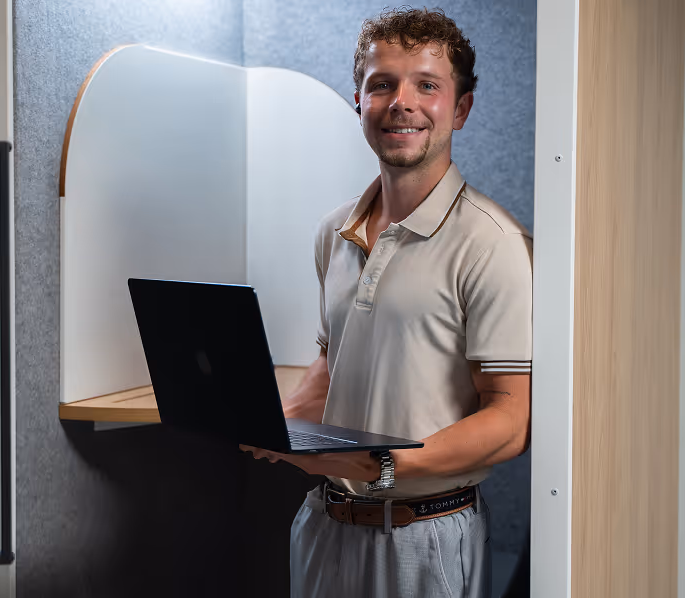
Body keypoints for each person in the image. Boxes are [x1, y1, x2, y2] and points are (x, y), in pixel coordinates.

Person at [241, 7, 533, 598]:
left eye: (427, 85)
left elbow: (509, 421)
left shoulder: (495, 244)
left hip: (424, 534)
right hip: (325, 524)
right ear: (359, 100)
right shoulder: (334, 232)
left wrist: (383, 466)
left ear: (461, 108)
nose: (402, 101)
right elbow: (335, 360)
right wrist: (274, 423)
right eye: (382, 84)